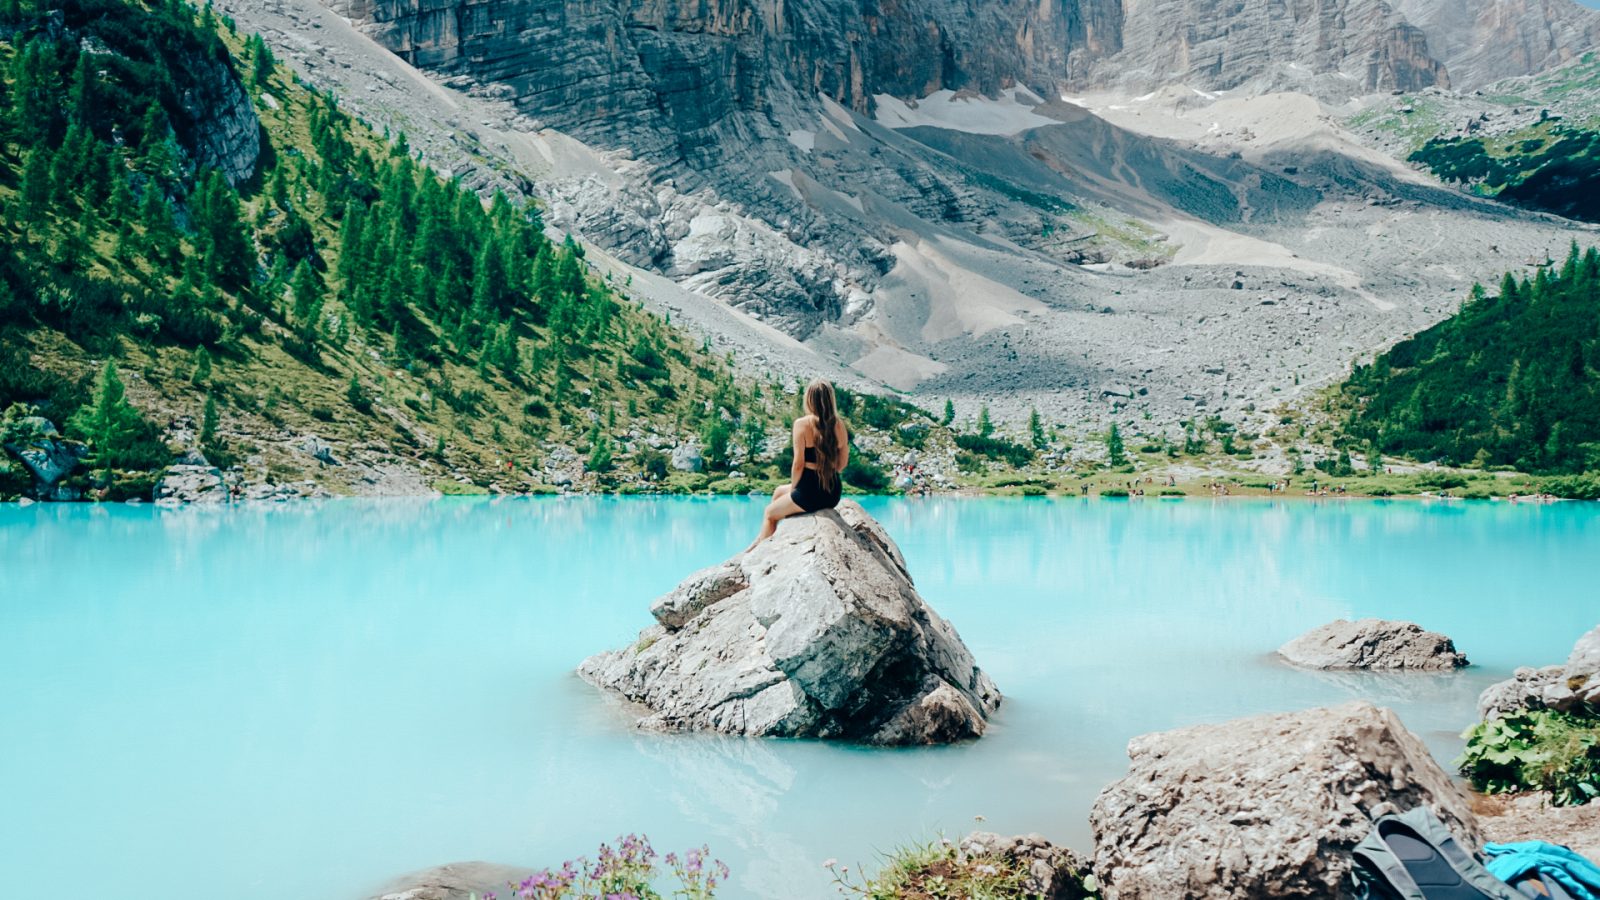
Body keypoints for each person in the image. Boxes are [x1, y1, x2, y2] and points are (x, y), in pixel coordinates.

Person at [747, 379, 850, 550]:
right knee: (779, 491)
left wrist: (797, 488)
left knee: (769, 514)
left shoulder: (802, 424)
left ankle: (763, 550)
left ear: (809, 399)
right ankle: (764, 537)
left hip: (810, 489)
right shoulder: (839, 425)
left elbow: (798, 464)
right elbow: (843, 463)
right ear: (830, 399)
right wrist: (828, 473)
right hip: (832, 491)